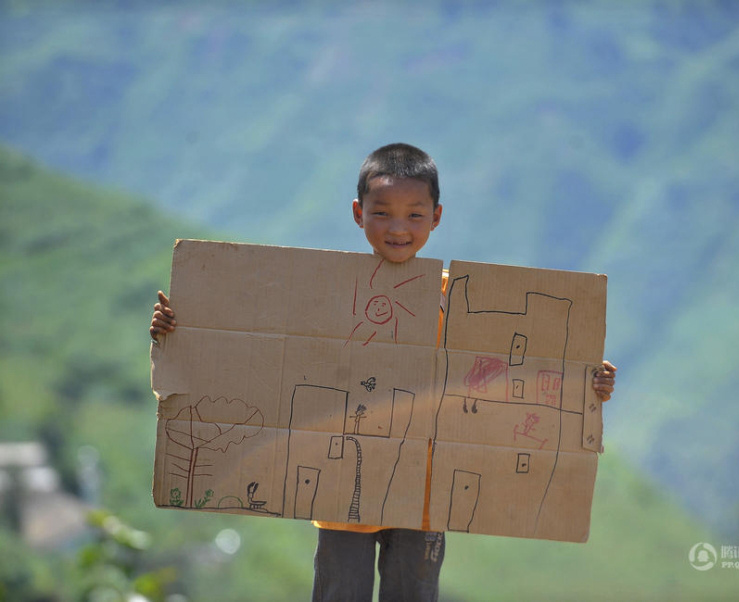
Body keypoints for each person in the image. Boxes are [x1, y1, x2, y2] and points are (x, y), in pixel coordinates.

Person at [150, 142, 618, 601]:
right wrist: (180, 334)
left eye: (415, 214)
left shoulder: (457, 304)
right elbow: (253, 352)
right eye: (382, 212)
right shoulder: (325, 298)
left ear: (437, 216)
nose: (399, 227)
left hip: (427, 495)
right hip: (340, 496)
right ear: (358, 213)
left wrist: (589, 386)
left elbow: (526, 375)